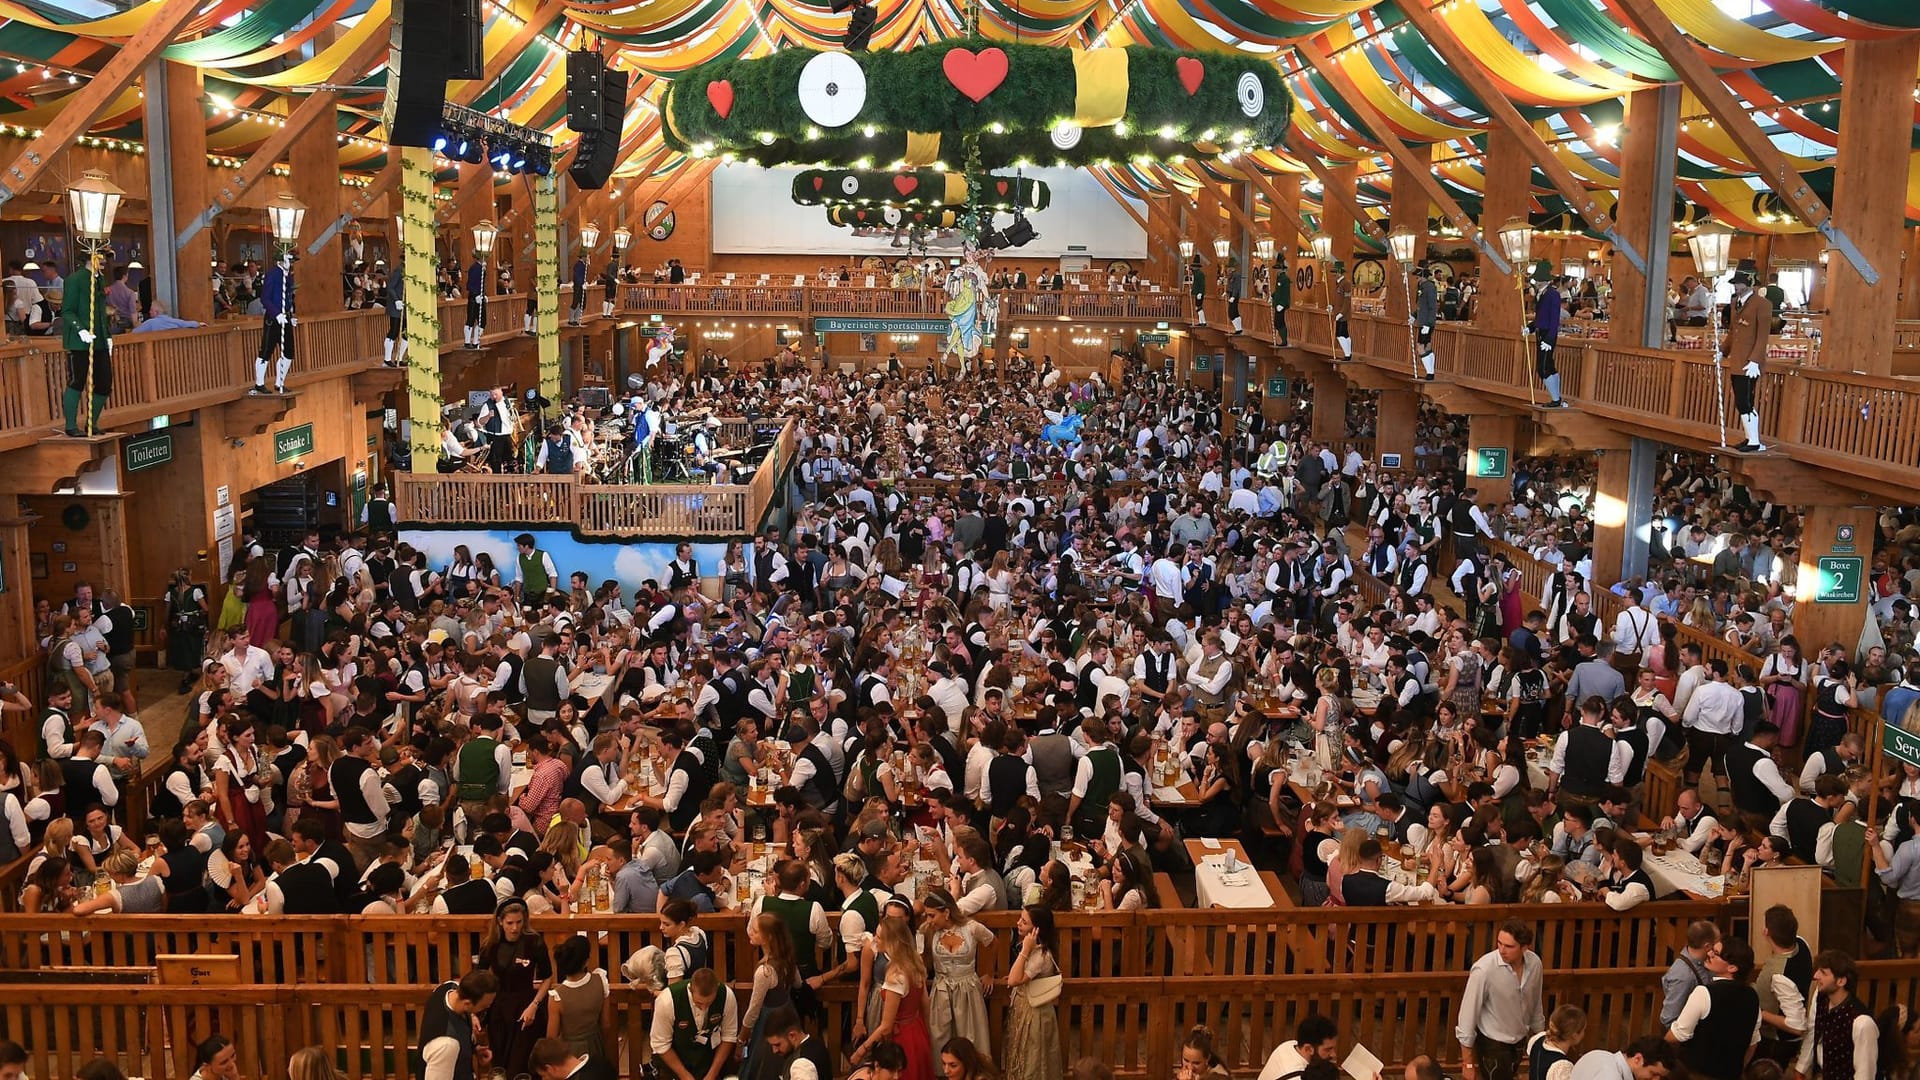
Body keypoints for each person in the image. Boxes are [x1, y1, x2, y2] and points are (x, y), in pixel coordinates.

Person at [1457, 920, 1546, 1080]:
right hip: (1492, 1042)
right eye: (1499, 943)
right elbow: (1467, 1015)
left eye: (1509, 946)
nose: (1502, 950)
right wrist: (1467, 1062)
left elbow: (1535, 1003)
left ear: (1524, 948)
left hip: (1519, 1039)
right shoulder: (1484, 969)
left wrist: (1540, 1037)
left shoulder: (1534, 964)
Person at [1665, 937, 1761, 1080]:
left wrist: (1658, 1052)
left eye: (1716, 953)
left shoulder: (1704, 993)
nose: (1709, 954)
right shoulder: (1753, 996)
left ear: (1732, 968)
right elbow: (1752, 1043)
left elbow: (1678, 1035)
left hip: (1696, 1074)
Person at [479, 898, 554, 1076]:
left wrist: (534, 1005)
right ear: (500, 922)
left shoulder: (534, 942)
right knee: (500, 1063)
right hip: (499, 1008)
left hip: (526, 1006)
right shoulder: (490, 945)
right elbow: (479, 978)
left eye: (519, 922)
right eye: (510, 923)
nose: (515, 928)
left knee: (521, 1064)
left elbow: (547, 977)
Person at [1793, 950, 1876, 1080]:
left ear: (1841, 981)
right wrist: (1801, 1068)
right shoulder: (1821, 997)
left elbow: (1864, 1074)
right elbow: (1813, 1032)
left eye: (1823, 973)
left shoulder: (1862, 1023)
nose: (1816, 976)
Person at [1000, 905, 1061, 1080]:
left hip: (1034, 1012)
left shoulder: (1040, 955)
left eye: (1024, 922)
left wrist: (1025, 950)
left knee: (1032, 1059)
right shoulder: (1035, 950)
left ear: (1036, 929)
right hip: (1024, 1008)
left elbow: (1013, 981)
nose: (1018, 923)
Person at [650, 968, 739, 1080]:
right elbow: (661, 1044)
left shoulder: (727, 996)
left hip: (708, 1060)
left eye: (709, 1003)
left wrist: (712, 1075)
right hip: (673, 1061)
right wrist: (685, 1076)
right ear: (690, 989)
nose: (704, 1008)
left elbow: (729, 1036)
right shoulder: (667, 1000)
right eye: (698, 1003)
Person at [412, 970, 501, 1080]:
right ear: (467, 1004)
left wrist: (474, 1048)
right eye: (483, 1007)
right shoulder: (446, 1045)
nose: (486, 1009)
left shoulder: (449, 987)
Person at [62, 247, 112, 437]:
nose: (104, 261)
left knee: (104, 383)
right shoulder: (75, 279)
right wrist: (80, 329)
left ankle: (92, 423)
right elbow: (67, 311)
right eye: (101, 257)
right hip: (79, 341)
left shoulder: (100, 279)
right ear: (90, 257)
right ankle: (70, 426)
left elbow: (100, 311)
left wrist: (107, 335)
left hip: (99, 340)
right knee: (77, 381)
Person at [1723, 258, 1772, 453]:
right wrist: (1722, 350)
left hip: (1750, 363)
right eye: (1735, 283)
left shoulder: (1763, 304)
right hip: (1737, 360)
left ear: (1749, 283)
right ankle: (1749, 437)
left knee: (1745, 401)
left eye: (1739, 283)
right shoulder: (1735, 302)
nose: (1736, 286)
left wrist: (1755, 360)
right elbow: (1732, 332)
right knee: (1739, 401)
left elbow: (1762, 336)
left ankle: (1754, 441)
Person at [253, 248, 296, 396]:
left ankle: (280, 382)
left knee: (289, 352)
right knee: (266, 350)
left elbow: (288, 297)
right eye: (289, 260)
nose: (291, 263)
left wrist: (290, 315)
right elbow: (265, 298)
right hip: (273, 318)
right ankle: (259, 383)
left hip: (286, 317)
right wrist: (277, 314)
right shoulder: (272, 275)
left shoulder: (288, 276)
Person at [1530, 264, 1566, 408]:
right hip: (1540, 333)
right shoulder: (1541, 294)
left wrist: (1550, 339)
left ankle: (1556, 399)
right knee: (1547, 365)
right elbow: (1540, 317)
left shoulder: (1553, 295)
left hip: (1547, 335)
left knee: (1543, 368)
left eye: (1539, 280)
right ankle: (1556, 398)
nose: (1537, 282)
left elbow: (1554, 319)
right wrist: (1530, 328)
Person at [1567, 1037, 1674, 1080]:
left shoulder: (1599, 1054)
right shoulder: (1611, 1076)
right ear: (1637, 1059)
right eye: (1653, 1073)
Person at [1526, 1005, 1587, 1080]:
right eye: (1584, 1030)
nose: (1584, 1034)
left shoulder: (1538, 1038)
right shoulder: (1562, 1066)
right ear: (1574, 1035)